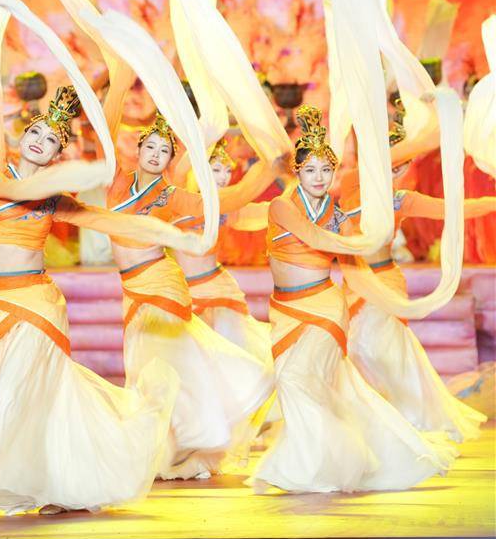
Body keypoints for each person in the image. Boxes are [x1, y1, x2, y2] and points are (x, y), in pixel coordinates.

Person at [0, 87, 202, 515]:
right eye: (36, 133)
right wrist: (76, 176)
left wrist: (171, 235)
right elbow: (23, 190)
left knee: (16, 391)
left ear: (56, 155)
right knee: (18, 393)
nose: (39, 141)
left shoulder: (54, 199)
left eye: (51, 141)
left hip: (39, 305)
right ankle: (53, 484)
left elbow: (112, 221)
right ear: (22, 135)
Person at [252, 105, 457, 493]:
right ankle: (341, 459)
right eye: (310, 170)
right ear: (298, 172)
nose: (318, 178)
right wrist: (361, 240)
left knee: (296, 379)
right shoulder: (282, 207)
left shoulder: (337, 213)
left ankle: (314, 465)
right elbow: (316, 238)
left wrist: (372, 253)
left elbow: (355, 261)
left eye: (325, 170)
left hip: (326, 309)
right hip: (284, 311)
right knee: (313, 386)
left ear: (333, 173)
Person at [106, 113, 278, 479]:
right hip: (139, 291)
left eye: (164, 150)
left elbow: (238, 202)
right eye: (150, 147)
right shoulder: (119, 184)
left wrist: (270, 168)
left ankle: (176, 441)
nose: (155, 154)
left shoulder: (173, 196)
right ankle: (168, 445)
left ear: (171, 160)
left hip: (168, 288)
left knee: (166, 367)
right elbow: (106, 127)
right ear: (138, 149)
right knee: (158, 367)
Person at [339, 116, 494, 441]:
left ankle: (403, 418)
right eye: (392, 160)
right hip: (356, 284)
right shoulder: (353, 186)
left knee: (384, 349)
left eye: (403, 164)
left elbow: (454, 208)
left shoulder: (402, 199)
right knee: (357, 351)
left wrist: (491, 202)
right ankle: (370, 421)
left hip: (387, 284)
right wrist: (425, 138)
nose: (396, 168)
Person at [169, 139, 275, 364]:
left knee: (228, 355)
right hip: (184, 290)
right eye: (216, 170)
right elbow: (179, 171)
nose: (224, 177)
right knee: (192, 359)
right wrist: (204, 138)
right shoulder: (180, 199)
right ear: (199, 170)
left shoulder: (224, 207)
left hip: (217, 289)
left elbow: (263, 212)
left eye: (227, 170)